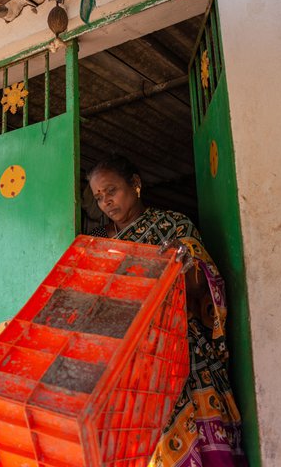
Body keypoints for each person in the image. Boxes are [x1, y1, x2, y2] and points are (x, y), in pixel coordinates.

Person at [88, 155, 246, 467]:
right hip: (135, 366)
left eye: (111, 190)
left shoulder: (175, 227)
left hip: (184, 354)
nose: (106, 202)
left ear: (135, 184)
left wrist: (185, 264)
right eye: (98, 197)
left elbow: (205, 294)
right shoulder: (100, 244)